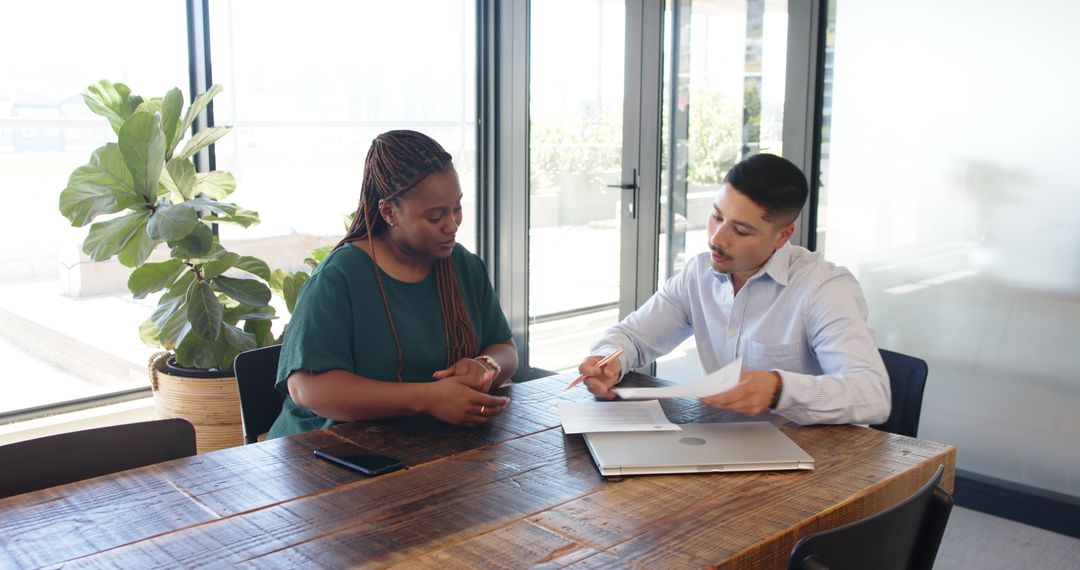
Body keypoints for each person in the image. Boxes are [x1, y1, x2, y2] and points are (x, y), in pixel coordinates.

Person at [576, 153, 890, 425]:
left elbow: (873, 395)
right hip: (728, 443)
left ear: (782, 236)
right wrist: (608, 362)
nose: (718, 238)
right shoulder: (698, 275)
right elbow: (631, 337)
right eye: (716, 216)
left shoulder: (823, 288)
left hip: (822, 463)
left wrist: (778, 389)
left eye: (741, 230)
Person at [268, 130, 517, 438]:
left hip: (426, 443)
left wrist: (485, 365)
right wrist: (429, 398)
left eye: (457, 209)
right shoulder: (339, 278)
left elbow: (505, 348)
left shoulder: (462, 266)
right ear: (389, 212)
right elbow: (308, 389)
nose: (452, 225)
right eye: (435, 216)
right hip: (327, 454)